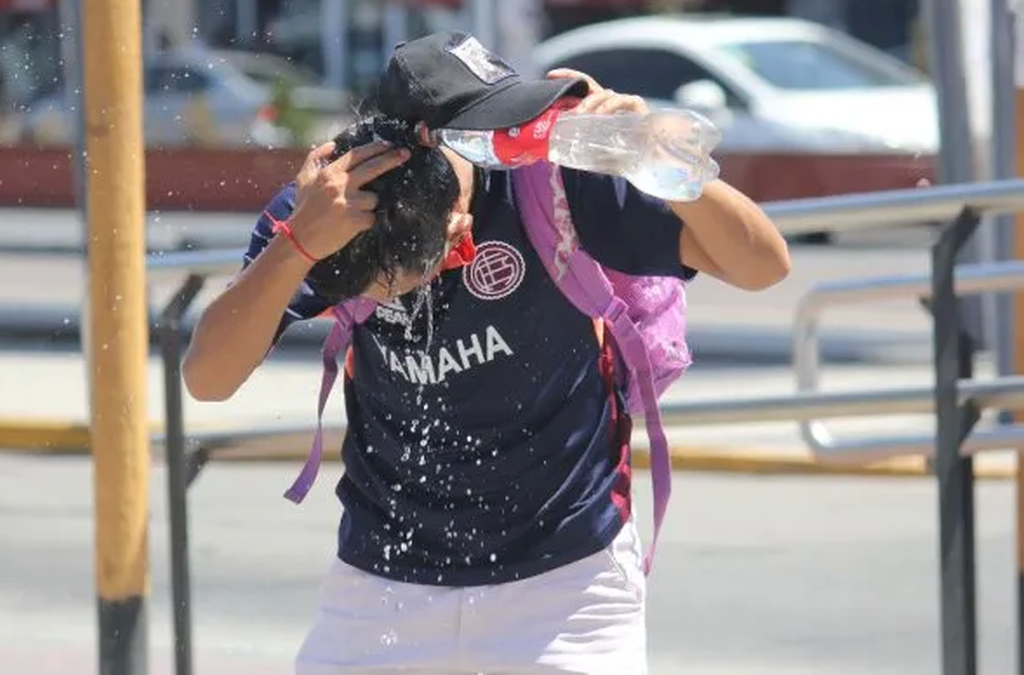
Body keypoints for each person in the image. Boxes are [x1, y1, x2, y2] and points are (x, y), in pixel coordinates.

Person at [184, 31, 790, 675]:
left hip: (568, 580)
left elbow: (763, 267)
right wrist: (296, 246)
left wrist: (654, 157)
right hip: (383, 583)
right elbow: (208, 378)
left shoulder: (557, 185)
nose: (462, 248)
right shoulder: (328, 209)